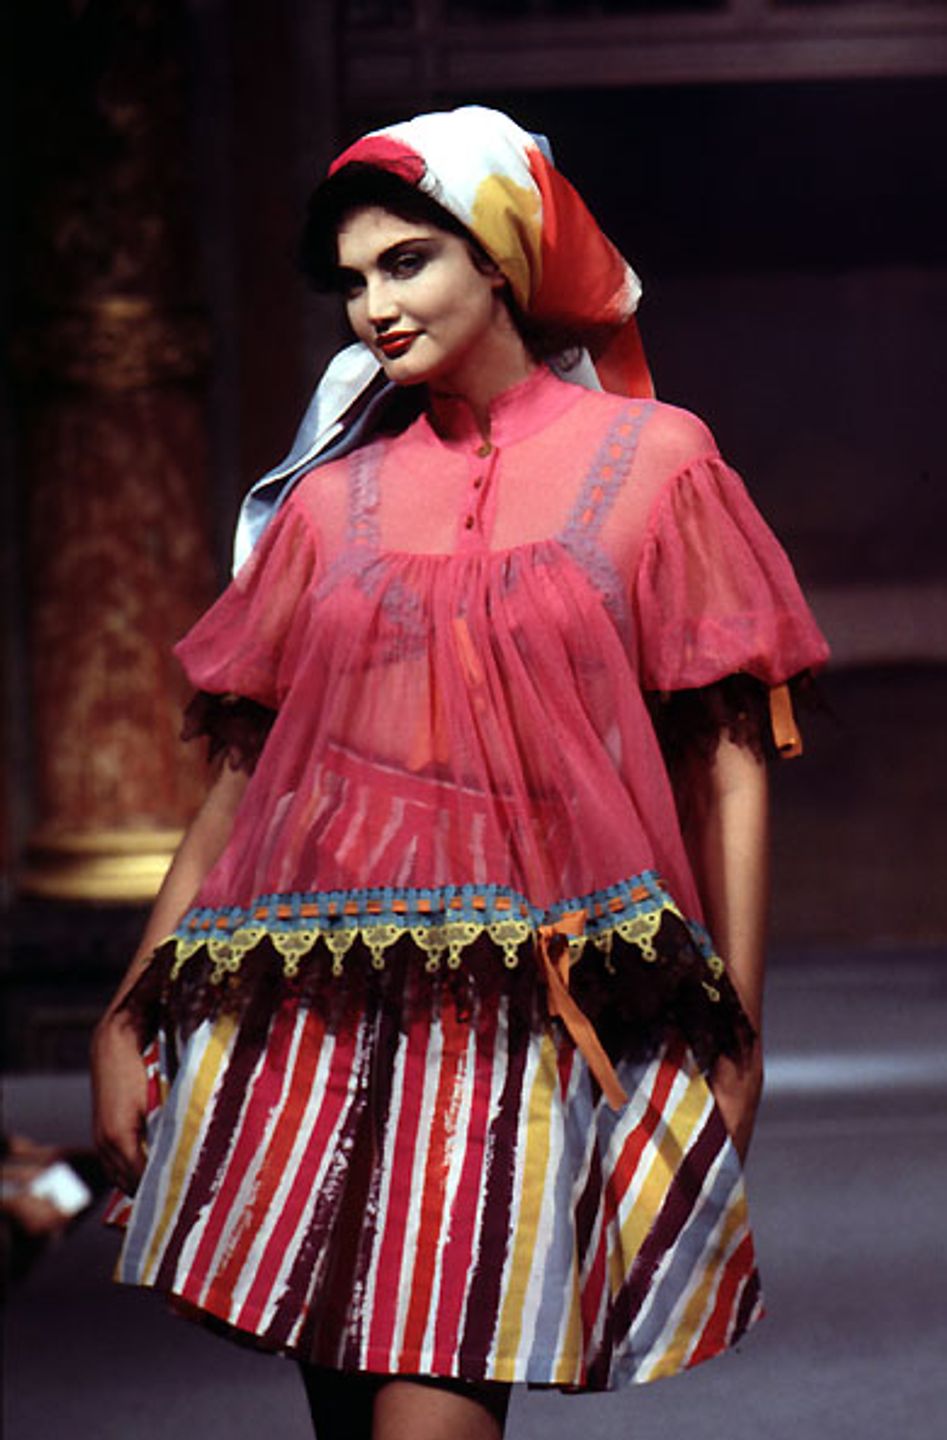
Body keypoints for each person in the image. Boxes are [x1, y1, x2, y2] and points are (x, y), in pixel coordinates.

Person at [91, 106, 829, 1440]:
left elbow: (728, 762)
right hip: (309, 1006)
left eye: (408, 262)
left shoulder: (655, 462)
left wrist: (742, 1036)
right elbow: (246, 783)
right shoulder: (331, 499)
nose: (375, 306)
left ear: (499, 257)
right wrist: (128, 1011)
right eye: (354, 280)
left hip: (519, 1020)